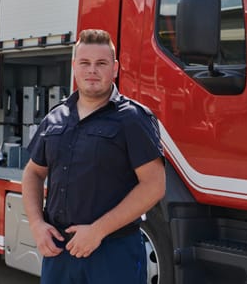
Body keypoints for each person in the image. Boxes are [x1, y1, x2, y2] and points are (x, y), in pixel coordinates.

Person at [22, 29, 166, 283]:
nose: (92, 70)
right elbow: (33, 172)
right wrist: (36, 224)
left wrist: (98, 231)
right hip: (59, 252)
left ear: (115, 68)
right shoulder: (54, 117)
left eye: (101, 63)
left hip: (112, 253)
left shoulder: (133, 119)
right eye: (85, 63)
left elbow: (154, 185)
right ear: (74, 66)